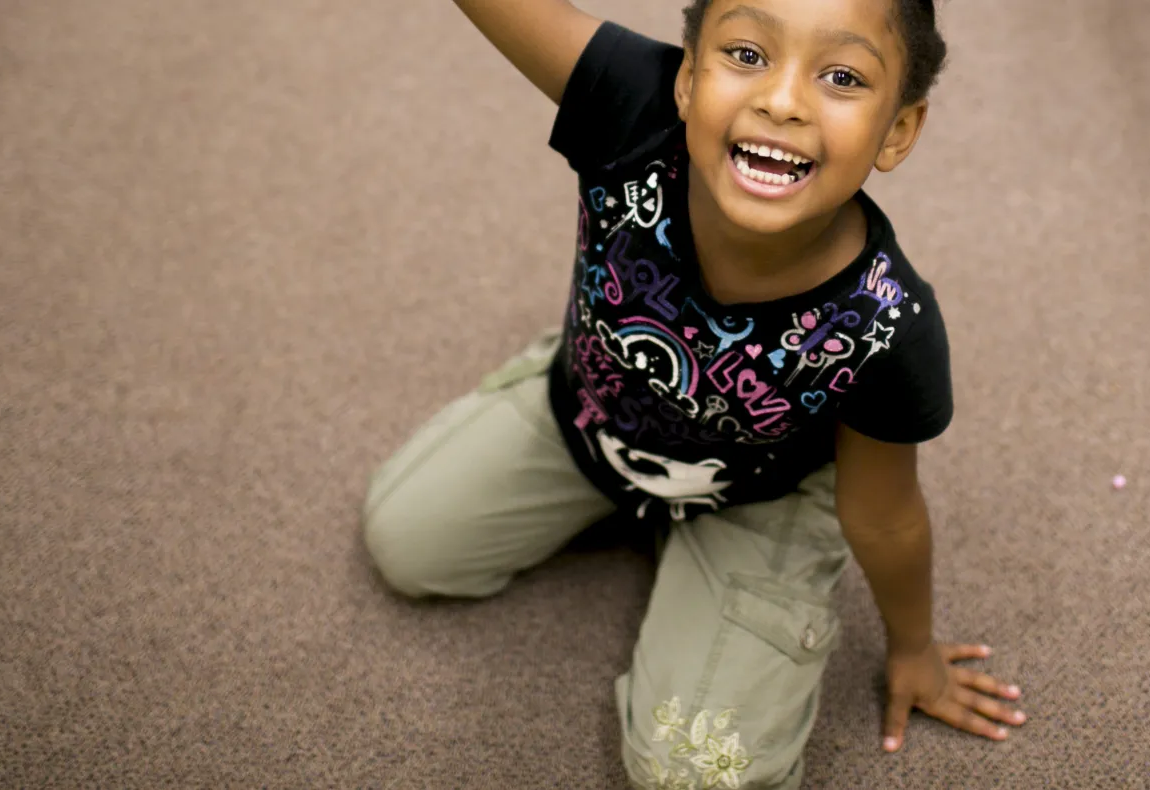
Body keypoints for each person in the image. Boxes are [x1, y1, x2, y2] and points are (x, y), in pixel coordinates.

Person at [362, 1, 1025, 786]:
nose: (781, 100)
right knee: (405, 542)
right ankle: (574, 388)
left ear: (898, 131)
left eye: (842, 77)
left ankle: (750, 563)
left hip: (761, 492)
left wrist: (913, 649)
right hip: (592, 406)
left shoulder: (888, 329)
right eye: (745, 53)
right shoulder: (629, 103)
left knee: (696, 775)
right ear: (684, 78)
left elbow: (884, 515)